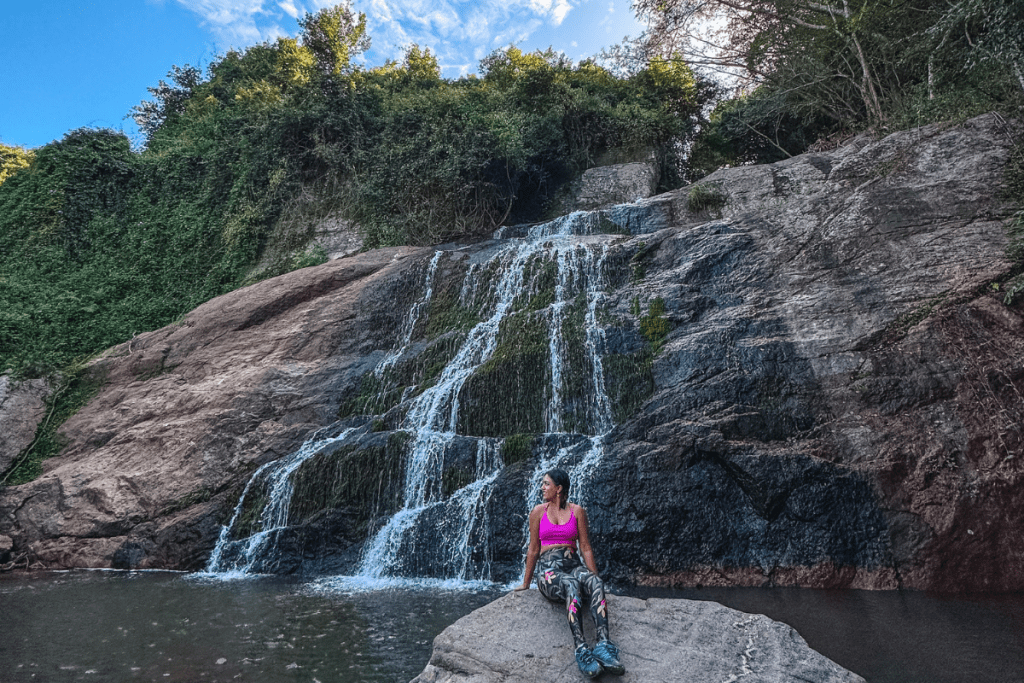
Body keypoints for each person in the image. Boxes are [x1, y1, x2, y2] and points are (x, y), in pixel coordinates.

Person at [514, 468, 625, 678]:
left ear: (559, 488)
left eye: (546, 484)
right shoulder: (538, 512)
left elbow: (585, 547)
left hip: (573, 565)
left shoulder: (577, 511)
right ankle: (582, 649)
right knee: (570, 584)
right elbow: (533, 549)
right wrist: (526, 583)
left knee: (595, 584)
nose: (542, 487)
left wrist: (595, 578)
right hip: (549, 571)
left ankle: (603, 645)